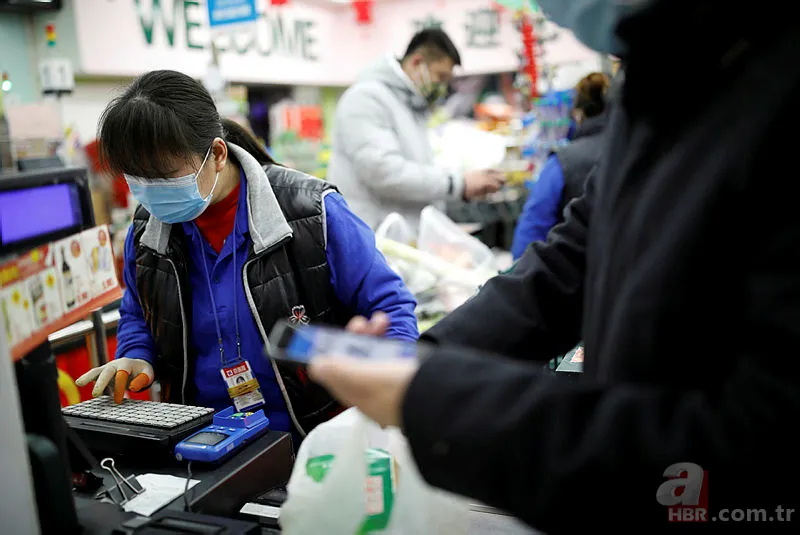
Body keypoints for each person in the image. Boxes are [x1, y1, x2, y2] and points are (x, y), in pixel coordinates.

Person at [309, 2, 800, 531]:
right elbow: (570, 261)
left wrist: (441, 400)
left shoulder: (779, 89)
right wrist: (424, 356)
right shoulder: (658, 79)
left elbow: (757, 439)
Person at [76, 70, 418, 439]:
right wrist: (135, 353)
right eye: (138, 179)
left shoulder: (312, 213)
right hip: (206, 439)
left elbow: (391, 308)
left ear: (217, 154)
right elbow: (139, 313)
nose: (151, 192)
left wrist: (386, 399)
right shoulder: (147, 234)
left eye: (164, 175)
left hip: (316, 437)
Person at [327, 29, 505, 231]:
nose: (442, 86)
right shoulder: (366, 98)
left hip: (401, 236)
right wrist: (457, 184)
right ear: (417, 62)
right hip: (373, 235)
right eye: (440, 76)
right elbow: (383, 172)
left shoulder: (410, 105)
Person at [510, 72, 610, 259]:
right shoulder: (635, 152)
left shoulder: (563, 162)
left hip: (578, 270)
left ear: (578, 114)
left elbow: (532, 230)